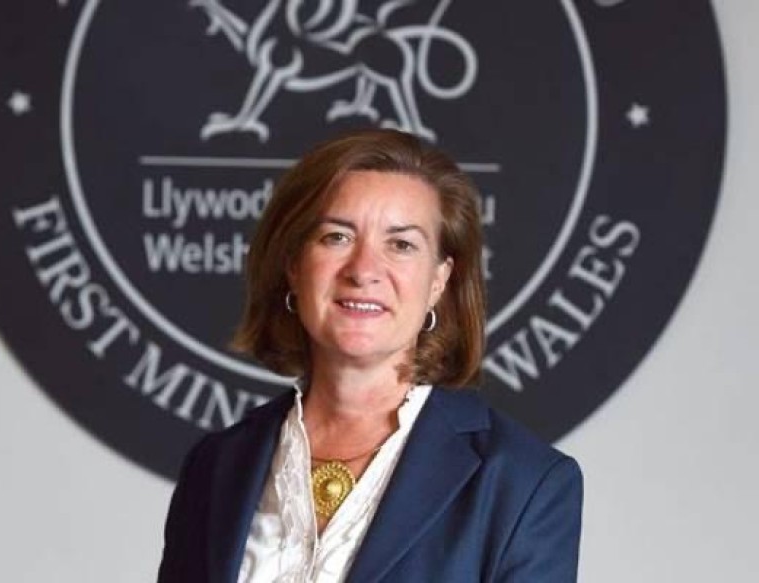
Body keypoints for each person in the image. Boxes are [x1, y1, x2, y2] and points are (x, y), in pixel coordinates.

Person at [157, 129, 582, 582]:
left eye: (401, 245)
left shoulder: (524, 483)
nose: (363, 271)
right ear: (294, 265)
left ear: (439, 280)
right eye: (337, 237)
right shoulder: (216, 466)